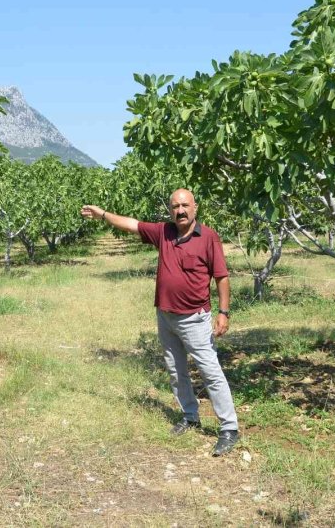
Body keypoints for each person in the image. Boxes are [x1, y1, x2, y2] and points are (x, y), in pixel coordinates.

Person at [80, 189, 239, 456]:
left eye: (185, 205)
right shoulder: (163, 232)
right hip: (166, 316)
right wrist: (103, 214)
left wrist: (224, 312)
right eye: (175, 207)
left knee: (210, 372)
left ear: (195, 208)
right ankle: (190, 416)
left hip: (195, 319)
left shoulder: (208, 237)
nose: (180, 211)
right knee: (176, 371)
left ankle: (229, 428)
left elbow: (221, 276)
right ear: (170, 210)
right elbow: (131, 224)